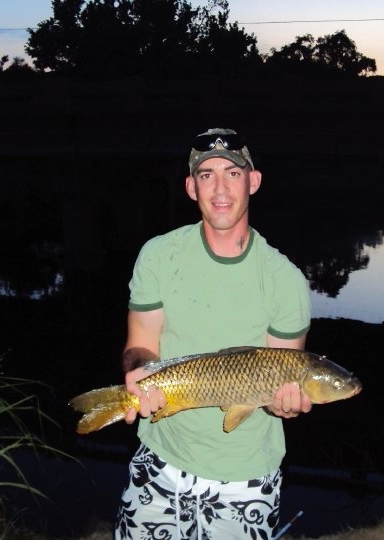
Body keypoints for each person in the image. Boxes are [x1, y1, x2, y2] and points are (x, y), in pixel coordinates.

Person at [115, 128, 312, 539]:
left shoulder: (285, 281)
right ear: (191, 187)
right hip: (160, 461)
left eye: (232, 173)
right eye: (206, 175)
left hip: (245, 476)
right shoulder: (158, 255)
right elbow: (141, 344)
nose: (220, 188)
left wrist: (286, 405)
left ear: (253, 181)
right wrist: (139, 372)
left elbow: (285, 372)